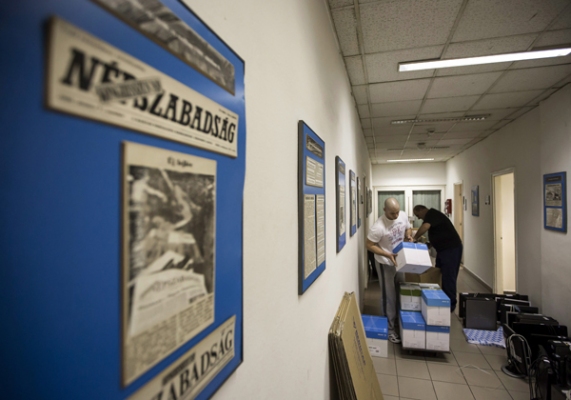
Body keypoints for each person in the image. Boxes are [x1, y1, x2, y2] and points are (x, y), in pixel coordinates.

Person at [366, 197, 412, 343]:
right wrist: (387, 254)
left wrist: (409, 236)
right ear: (384, 210)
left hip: (399, 260)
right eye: (392, 213)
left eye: (397, 212)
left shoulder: (402, 215)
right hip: (385, 262)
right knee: (389, 296)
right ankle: (389, 329)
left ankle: (398, 321)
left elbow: (407, 227)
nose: (396, 216)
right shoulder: (378, 227)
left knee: (400, 290)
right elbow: (369, 245)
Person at [412, 205, 463, 312]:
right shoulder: (433, 216)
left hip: (451, 249)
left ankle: (450, 305)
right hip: (443, 250)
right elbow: (439, 231)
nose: (418, 218)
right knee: (438, 273)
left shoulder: (432, 214)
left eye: (417, 215)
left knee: (448, 276)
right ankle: (441, 299)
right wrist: (430, 244)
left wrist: (414, 238)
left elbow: (425, 227)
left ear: (421, 210)